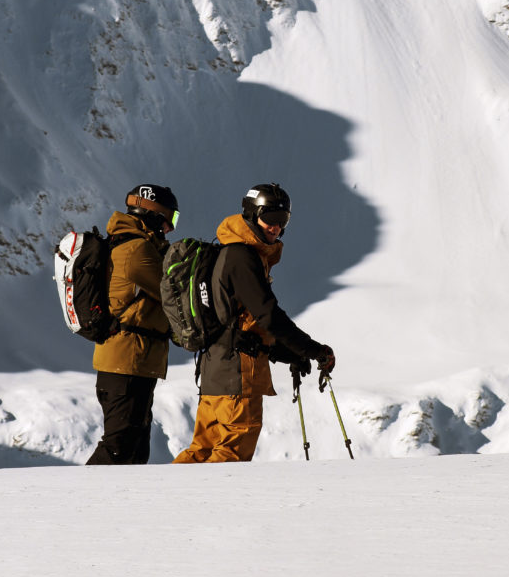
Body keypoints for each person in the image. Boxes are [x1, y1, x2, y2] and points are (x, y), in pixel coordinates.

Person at [173, 183, 335, 464]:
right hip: (237, 376)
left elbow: (244, 324)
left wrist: (289, 352)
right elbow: (267, 315)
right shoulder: (242, 256)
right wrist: (312, 349)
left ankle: (165, 493)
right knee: (230, 456)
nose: (276, 227)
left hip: (216, 371)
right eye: (270, 218)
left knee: (201, 453)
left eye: (283, 220)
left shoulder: (233, 253)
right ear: (251, 215)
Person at [86, 183, 179, 465]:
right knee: (118, 449)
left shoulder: (136, 244)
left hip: (134, 362)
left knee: (135, 452)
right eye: (169, 219)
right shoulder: (137, 249)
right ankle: (76, 492)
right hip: (125, 362)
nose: (170, 228)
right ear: (152, 214)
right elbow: (170, 290)